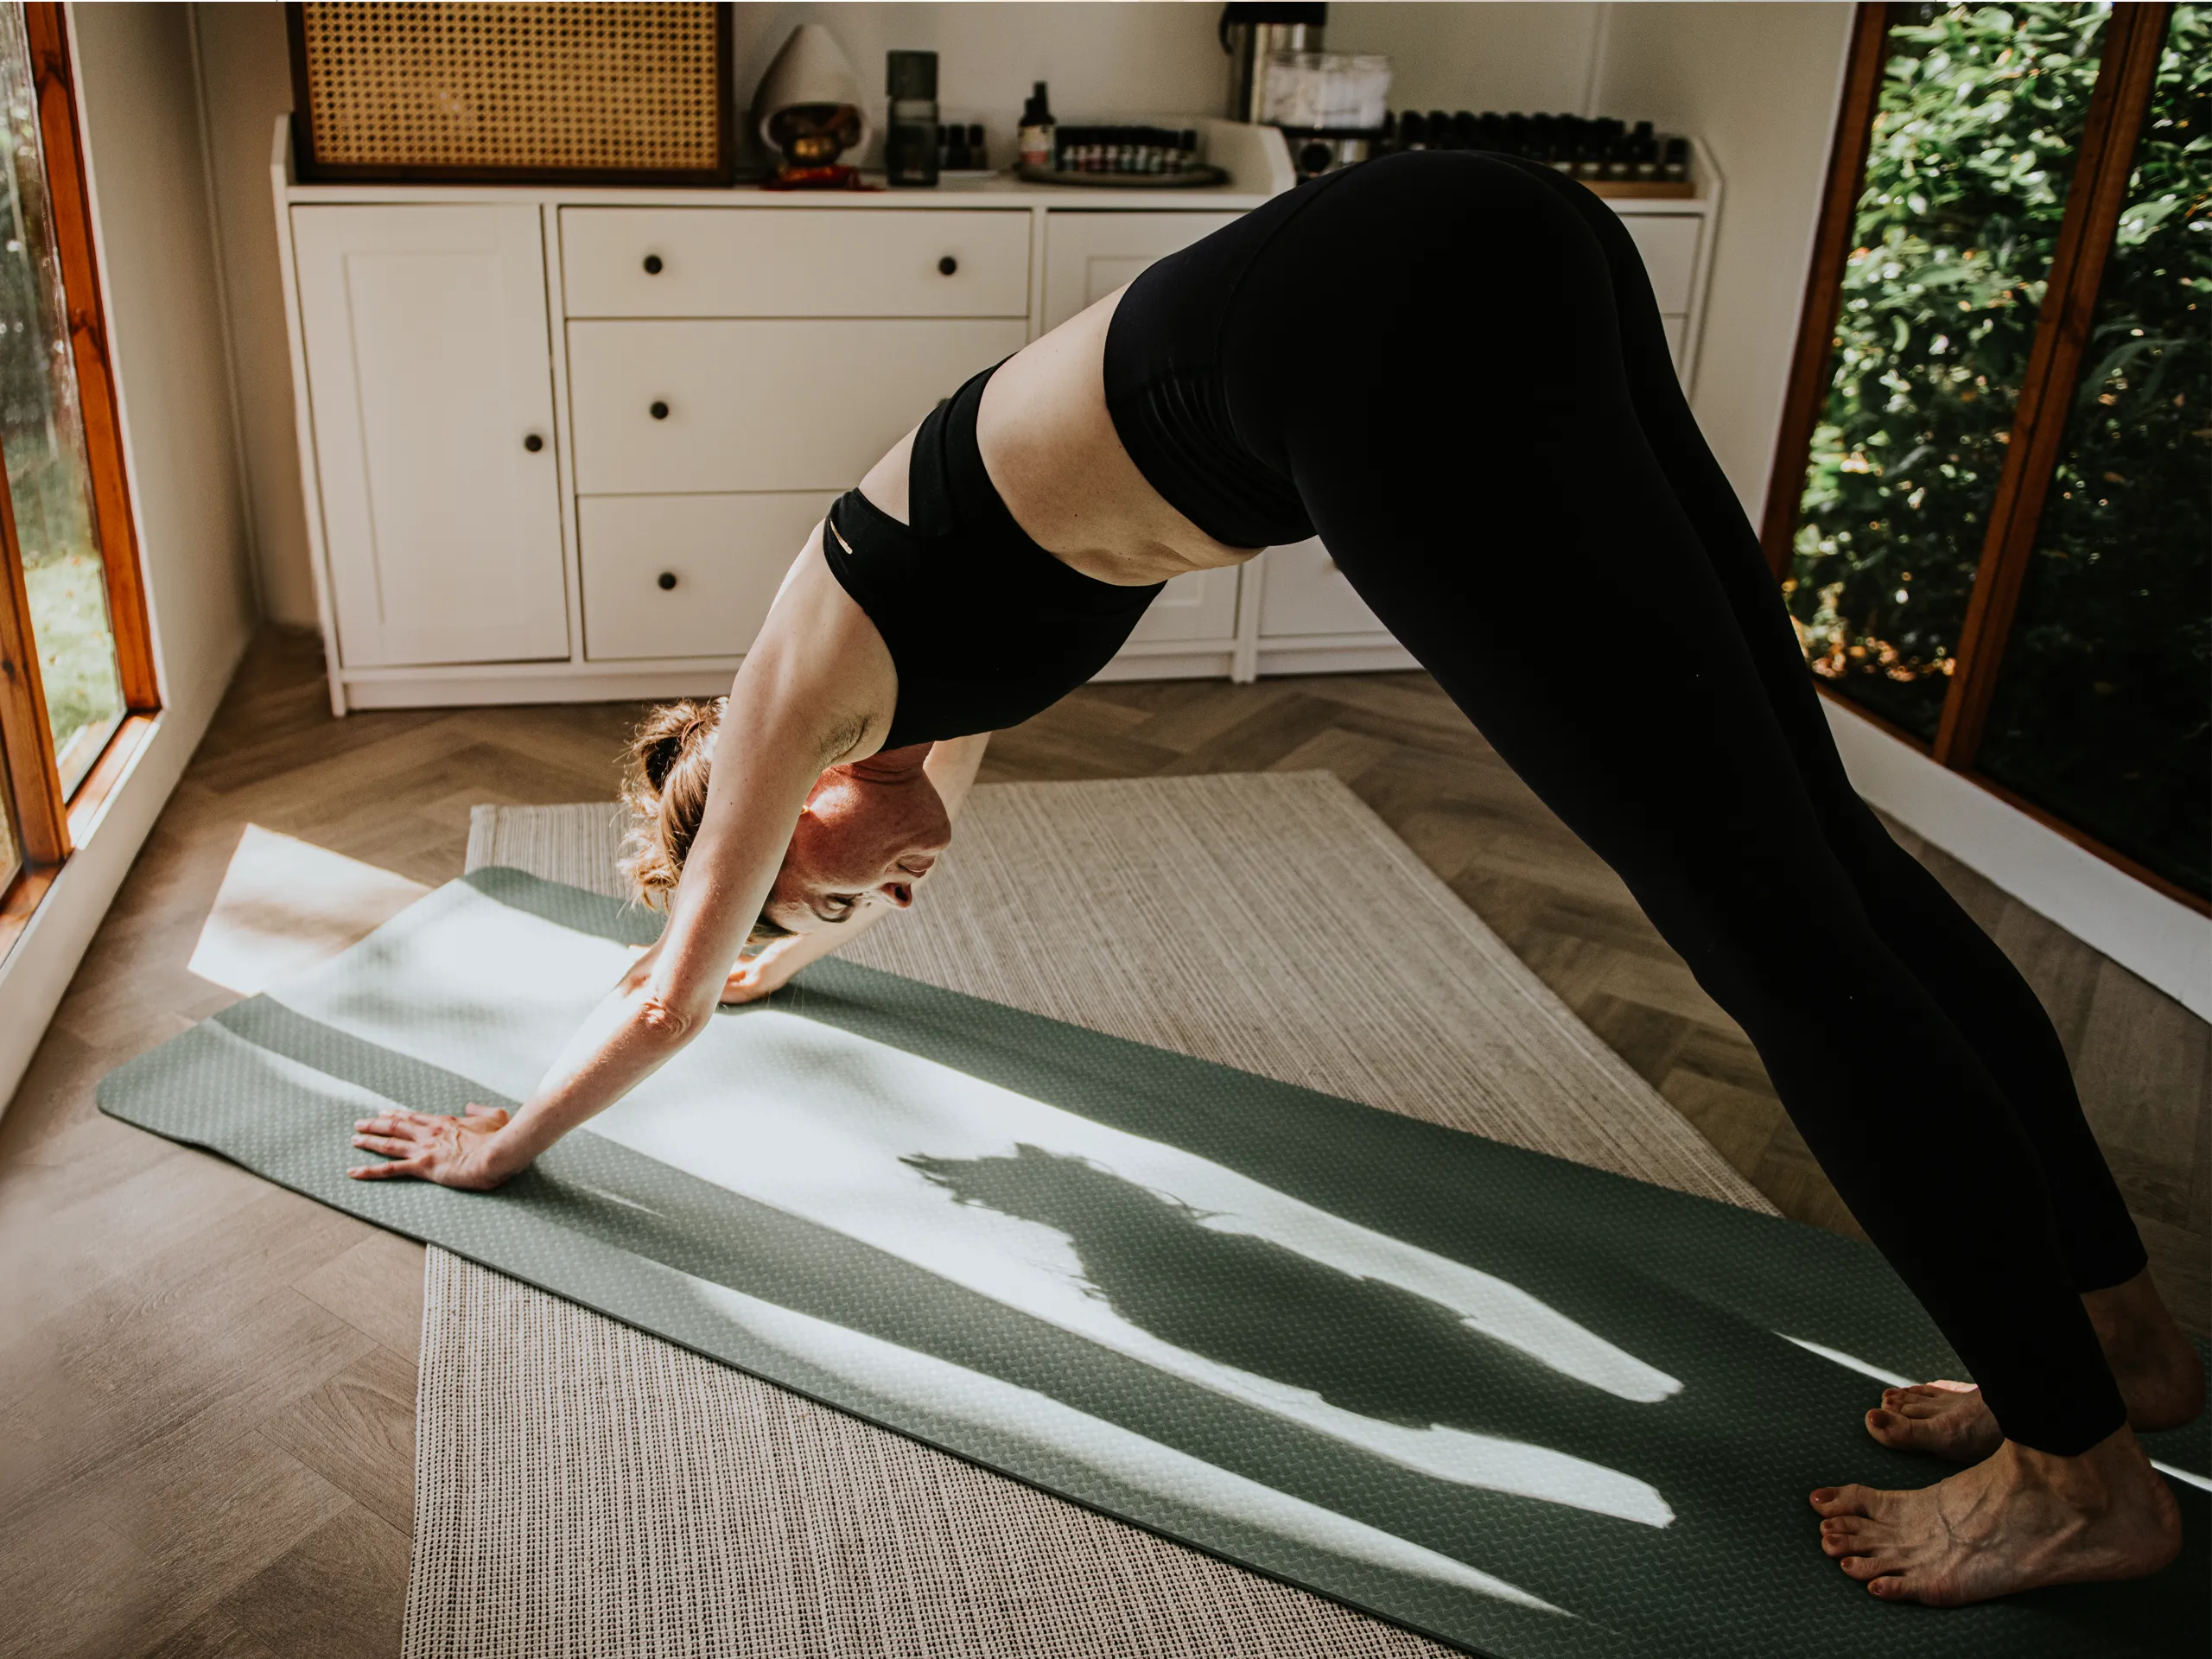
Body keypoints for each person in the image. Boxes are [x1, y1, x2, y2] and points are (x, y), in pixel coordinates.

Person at [341, 150, 2198, 1605]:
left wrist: (507, 1138)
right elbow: (744, 945)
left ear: (776, 810)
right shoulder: (889, 683)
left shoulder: (781, 708)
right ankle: (2106, 1332)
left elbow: (665, 980)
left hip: (1377, 342)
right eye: (841, 927)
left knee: (1766, 933)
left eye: (825, 898)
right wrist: (786, 957)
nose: (879, 906)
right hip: (1478, 240)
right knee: (1822, 865)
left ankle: (2068, 1477)